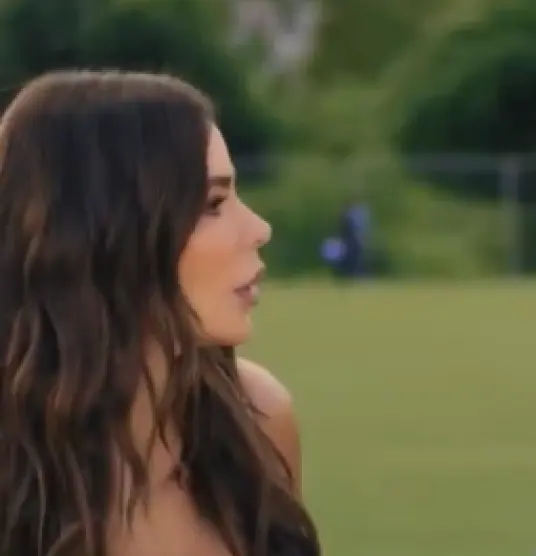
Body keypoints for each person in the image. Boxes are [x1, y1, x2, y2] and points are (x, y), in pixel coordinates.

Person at [0, 70, 320, 556]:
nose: (259, 228)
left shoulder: (257, 421)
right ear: (107, 233)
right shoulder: (17, 468)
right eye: (213, 204)